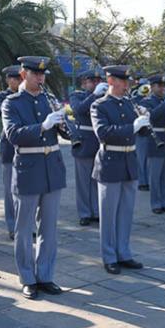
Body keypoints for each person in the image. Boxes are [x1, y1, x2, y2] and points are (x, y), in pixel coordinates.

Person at [2, 56, 67, 299]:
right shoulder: (12, 103)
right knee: (24, 227)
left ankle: (46, 275)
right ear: (23, 73)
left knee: (49, 228)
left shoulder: (47, 99)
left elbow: (64, 132)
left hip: (52, 167)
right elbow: (14, 134)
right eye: (35, 74)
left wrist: (62, 123)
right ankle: (27, 277)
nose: (40, 78)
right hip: (28, 168)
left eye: (42, 74)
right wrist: (43, 125)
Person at [90, 65, 146, 274]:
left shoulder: (129, 104)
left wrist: (144, 123)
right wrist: (132, 127)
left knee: (126, 212)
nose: (127, 85)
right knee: (109, 213)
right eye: (123, 81)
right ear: (111, 80)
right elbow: (103, 132)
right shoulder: (99, 105)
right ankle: (109, 256)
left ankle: (124, 252)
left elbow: (141, 135)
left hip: (129, 160)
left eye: (127, 81)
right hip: (110, 161)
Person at [70, 69, 105, 226]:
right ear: (84, 83)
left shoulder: (105, 97)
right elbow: (79, 109)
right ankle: (84, 212)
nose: (97, 83)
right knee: (83, 181)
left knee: (97, 179)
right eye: (93, 81)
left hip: (100, 142)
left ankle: (96, 211)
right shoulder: (76, 95)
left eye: (99, 81)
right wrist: (95, 95)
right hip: (84, 142)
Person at [139, 74, 165, 215]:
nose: (163, 88)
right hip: (156, 140)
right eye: (159, 86)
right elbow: (152, 117)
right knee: (155, 176)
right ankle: (156, 203)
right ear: (152, 87)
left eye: (164, 85)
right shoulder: (146, 102)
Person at [0, 65, 22, 239]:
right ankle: (12, 226)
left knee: (25, 190)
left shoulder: (29, 96)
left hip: (26, 149)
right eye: (14, 78)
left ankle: (24, 224)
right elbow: (1, 113)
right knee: (10, 190)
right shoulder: (1, 97)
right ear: (8, 80)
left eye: (20, 78)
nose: (17, 81)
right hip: (9, 148)